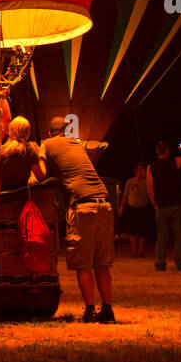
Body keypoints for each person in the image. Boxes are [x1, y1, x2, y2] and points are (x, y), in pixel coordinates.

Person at [41, 116, 115, 323]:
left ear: (49, 132)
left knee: (83, 264)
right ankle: (108, 310)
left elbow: (40, 171)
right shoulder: (77, 143)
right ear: (66, 131)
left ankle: (90, 310)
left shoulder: (46, 144)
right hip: (104, 204)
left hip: (82, 206)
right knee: (101, 264)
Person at [147, 139, 181, 272]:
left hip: (161, 206)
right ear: (167, 151)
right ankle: (180, 263)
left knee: (162, 236)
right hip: (176, 205)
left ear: (158, 152)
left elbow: (150, 190)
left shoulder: (151, 167)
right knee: (179, 236)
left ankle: (160, 263)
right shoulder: (175, 161)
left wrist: (155, 205)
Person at [0, 117, 46, 191]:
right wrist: (41, 155)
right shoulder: (29, 149)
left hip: (0, 200)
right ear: (28, 133)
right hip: (19, 199)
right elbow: (41, 176)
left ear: (9, 131)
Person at [120, 164, 152, 258]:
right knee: (132, 231)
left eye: (142, 170)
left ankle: (141, 251)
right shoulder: (130, 181)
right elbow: (125, 194)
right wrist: (122, 206)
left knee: (142, 231)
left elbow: (150, 192)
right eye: (139, 170)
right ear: (135, 171)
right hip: (132, 208)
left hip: (143, 208)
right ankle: (134, 252)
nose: (141, 172)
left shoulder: (146, 181)